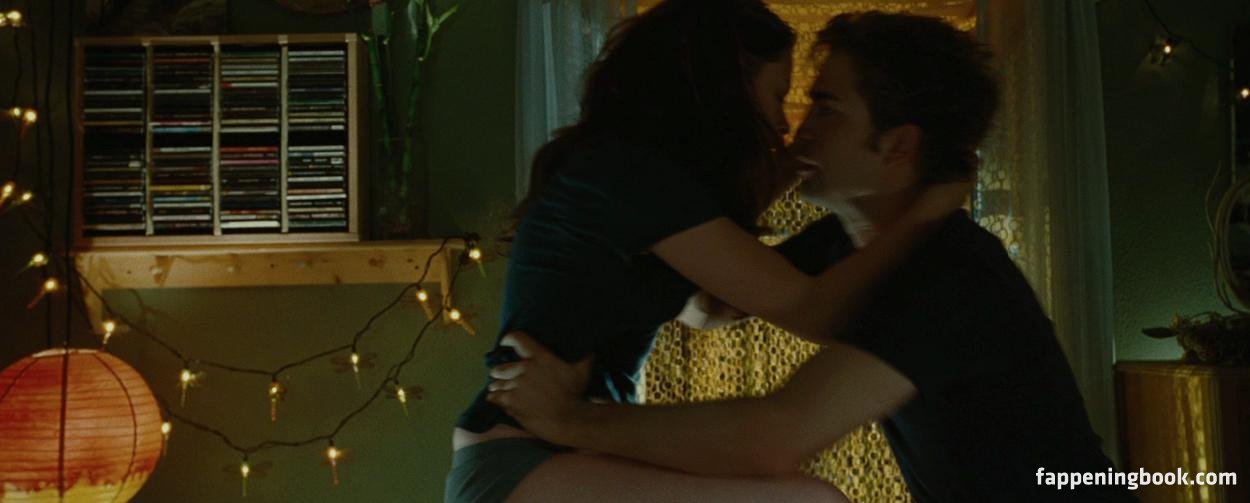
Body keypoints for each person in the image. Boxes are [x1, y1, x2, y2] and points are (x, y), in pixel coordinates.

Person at [486, 11, 1138, 503]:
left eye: (826, 108)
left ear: (897, 146)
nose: (797, 128)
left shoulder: (950, 272)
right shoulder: (844, 245)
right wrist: (762, 178)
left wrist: (570, 418)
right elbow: (707, 305)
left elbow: (773, 436)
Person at [446, 2, 971, 502]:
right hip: (522, 460)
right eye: (776, 97)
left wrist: (790, 169)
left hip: (561, 455)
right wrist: (922, 217)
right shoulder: (630, 177)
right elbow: (812, 310)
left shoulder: (633, 177)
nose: (784, 124)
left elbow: (709, 307)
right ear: (727, 97)